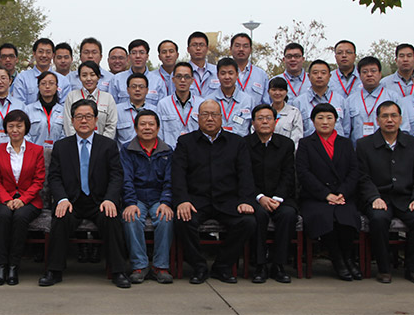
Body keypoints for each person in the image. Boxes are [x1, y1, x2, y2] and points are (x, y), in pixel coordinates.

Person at [38, 99, 132, 289]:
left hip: (99, 201)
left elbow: (116, 176)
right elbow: (54, 177)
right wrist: (62, 199)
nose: (83, 120)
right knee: (60, 218)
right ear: (72, 120)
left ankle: (118, 271)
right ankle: (54, 270)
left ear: (96, 120)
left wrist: (110, 199)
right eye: (79, 116)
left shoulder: (108, 145)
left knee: (112, 218)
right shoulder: (62, 146)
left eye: (88, 116)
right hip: (71, 201)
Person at [172, 99, 256, 285]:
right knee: (182, 221)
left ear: (221, 117)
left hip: (227, 201)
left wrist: (245, 200)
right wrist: (183, 200)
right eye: (205, 114)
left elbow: (245, 175)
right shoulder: (185, 142)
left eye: (214, 114)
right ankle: (199, 266)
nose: (209, 118)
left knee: (248, 222)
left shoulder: (236, 142)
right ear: (198, 118)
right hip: (197, 201)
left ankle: (222, 266)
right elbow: (178, 175)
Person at [357, 101, 414, 284]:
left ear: (400, 119)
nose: (389, 120)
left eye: (393, 116)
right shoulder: (364, 145)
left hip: (406, 198)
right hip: (379, 197)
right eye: (385, 116)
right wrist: (373, 197)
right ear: (377, 120)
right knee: (378, 218)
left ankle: (413, 269)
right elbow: (362, 177)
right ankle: (384, 269)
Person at [296, 103, 362, 281]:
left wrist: (341, 193)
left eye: (329, 118)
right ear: (313, 121)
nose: (325, 122)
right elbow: (303, 173)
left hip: (342, 196)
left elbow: (354, 171)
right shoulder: (306, 144)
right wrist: (325, 194)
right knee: (325, 217)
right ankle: (338, 260)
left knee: (347, 217)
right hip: (316, 197)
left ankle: (349, 258)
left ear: (335, 121)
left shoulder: (345, 143)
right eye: (320, 118)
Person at [0, 109, 45, 286]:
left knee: (20, 217)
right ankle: (0, 266)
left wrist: (23, 199)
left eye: (19, 126)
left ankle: (14, 265)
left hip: (29, 200)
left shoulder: (37, 150)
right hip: (3, 199)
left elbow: (38, 181)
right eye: (11, 126)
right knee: (4, 216)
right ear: (5, 128)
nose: (15, 130)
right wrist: (7, 199)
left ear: (26, 128)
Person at [120, 110, 174, 284]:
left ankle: (160, 266)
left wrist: (166, 201)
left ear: (158, 128)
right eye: (142, 124)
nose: (147, 128)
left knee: (165, 218)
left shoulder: (167, 151)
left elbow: (170, 180)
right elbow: (126, 179)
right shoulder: (127, 150)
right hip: (137, 197)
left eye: (151, 124)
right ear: (136, 128)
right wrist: (130, 202)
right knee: (131, 218)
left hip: (159, 197)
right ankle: (139, 266)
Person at [246, 104, 297, 284]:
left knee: (288, 215)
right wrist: (260, 197)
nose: (265, 122)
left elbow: (288, 174)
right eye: (260, 118)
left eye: (269, 118)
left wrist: (277, 198)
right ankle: (260, 265)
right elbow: (244, 176)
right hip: (254, 197)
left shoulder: (286, 144)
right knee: (258, 216)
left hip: (280, 197)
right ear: (253, 123)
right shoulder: (244, 144)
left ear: (275, 122)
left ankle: (279, 265)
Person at [347, 56, 409, 147]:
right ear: (359, 75)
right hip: (358, 150)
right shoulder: (351, 100)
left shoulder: (393, 97)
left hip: (387, 150)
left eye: (373, 71)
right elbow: (346, 130)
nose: (369, 74)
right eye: (365, 72)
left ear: (380, 74)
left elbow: (404, 127)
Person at [294, 60, 350, 138]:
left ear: (330, 76)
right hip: (309, 145)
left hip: (336, 145)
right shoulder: (299, 102)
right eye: (315, 73)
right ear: (309, 76)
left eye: (323, 73)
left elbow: (346, 130)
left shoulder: (341, 101)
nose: (319, 76)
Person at [63, 61, 118, 139]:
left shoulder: (108, 98)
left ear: (98, 77)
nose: (88, 79)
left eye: (92, 75)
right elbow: (68, 123)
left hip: (102, 144)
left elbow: (111, 125)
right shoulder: (72, 96)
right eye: (84, 75)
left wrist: (102, 143)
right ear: (79, 78)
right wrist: (77, 142)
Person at [156, 62, 203, 149]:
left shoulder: (201, 104)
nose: (182, 80)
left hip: (195, 152)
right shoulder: (163, 104)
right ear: (173, 79)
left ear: (192, 80)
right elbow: (159, 134)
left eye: (187, 77)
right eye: (179, 76)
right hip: (171, 152)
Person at [108, 39, 166, 107]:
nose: (138, 56)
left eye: (141, 53)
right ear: (129, 57)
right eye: (134, 53)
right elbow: (111, 106)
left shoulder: (158, 81)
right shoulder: (116, 80)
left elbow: (162, 108)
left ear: (147, 57)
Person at [12, 38, 71, 105]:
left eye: (48, 52)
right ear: (34, 54)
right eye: (40, 51)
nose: (44, 55)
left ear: (53, 55)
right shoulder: (22, 78)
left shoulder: (63, 81)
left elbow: (65, 106)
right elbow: (18, 104)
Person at [25, 71, 66, 162]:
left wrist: (58, 150)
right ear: (38, 87)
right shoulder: (28, 110)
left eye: (51, 83)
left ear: (57, 87)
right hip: (33, 156)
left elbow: (65, 134)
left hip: (58, 156)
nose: (47, 86)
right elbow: (25, 134)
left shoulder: (63, 111)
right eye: (43, 83)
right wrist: (34, 150)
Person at [206, 57, 253, 136]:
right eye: (223, 73)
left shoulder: (247, 100)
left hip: (241, 142)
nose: (227, 77)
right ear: (217, 75)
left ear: (237, 74)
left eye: (230, 73)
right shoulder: (209, 100)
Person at [230, 33, 270, 106]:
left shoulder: (261, 75)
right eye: (237, 46)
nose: (241, 49)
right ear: (230, 48)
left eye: (245, 46)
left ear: (250, 50)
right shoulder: (222, 74)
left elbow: (266, 103)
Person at [115, 73, 151, 146]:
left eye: (141, 87)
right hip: (124, 152)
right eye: (134, 87)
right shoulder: (117, 110)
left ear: (147, 90)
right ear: (128, 90)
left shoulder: (154, 110)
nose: (137, 89)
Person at [266, 77, 303, 146]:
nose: (277, 93)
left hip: (287, 151)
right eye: (274, 90)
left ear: (286, 92)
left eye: (281, 90)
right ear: (268, 91)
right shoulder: (263, 112)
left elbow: (297, 138)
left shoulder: (294, 113)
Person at [187, 31, 219, 98]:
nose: (198, 48)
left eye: (201, 45)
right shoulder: (179, 72)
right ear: (188, 49)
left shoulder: (217, 71)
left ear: (207, 49)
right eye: (194, 45)